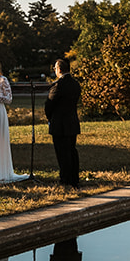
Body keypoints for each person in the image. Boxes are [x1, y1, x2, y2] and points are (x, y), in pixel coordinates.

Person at [45, 57, 83, 190]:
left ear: (59, 69)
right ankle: (74, 178)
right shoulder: (75, 84)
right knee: (72, 151)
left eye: (55, 68)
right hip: (72, 122)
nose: (55, 70)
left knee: (62, 153)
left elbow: (49, 105)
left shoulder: (58, 86)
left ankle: (65, 179)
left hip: (59, 124)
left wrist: (50, 118)